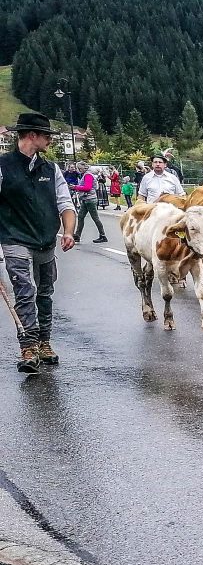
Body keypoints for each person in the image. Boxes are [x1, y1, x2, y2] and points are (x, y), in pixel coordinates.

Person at [0, 113, 78, 373]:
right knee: (24, 290)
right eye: (47, 136)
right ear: (32, 135)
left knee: (45, 292)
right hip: (14, 238)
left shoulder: (51, 169)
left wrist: (69, 232)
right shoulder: (3, 166)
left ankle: (44, 342)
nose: (50, 140)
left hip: (45, 240)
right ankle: (28, 346)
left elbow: (65, 203)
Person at [71, 164, 107, 243]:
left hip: (90, 199)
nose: (78, 170)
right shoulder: (87, 174)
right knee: (80, 217)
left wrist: (75, 187)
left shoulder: (88, 175)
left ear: (82, 168)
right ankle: (77, 235)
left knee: (95, 218)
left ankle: (103, 235)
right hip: (86, 199)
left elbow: (87, 188)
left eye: (79, 168)